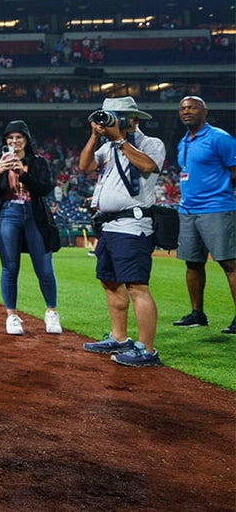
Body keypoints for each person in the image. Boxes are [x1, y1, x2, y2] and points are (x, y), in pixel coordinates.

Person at [79, 97, 166, 366]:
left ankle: (147, 349)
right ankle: (119, 338)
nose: (110, 121)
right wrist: (95, 137)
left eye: (116, 116)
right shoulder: (107, 147)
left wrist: (119, 139)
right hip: (108, 225)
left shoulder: (151, 144)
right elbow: (85, 166)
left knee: (137, 286)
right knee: (109, 281)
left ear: (134, 120)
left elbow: (149, 166)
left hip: (133, 225)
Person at [0, 120, 61, 336]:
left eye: (18, 137)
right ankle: (12, 316)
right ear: (5, 141)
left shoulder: (38, 162)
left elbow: (45, 188)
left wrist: (23, 173)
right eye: (10, 138)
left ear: (26, 139)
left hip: (34, 214)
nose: (14, 141)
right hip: (8, 213)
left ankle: (51, 312)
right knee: (10, 267)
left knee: (44, 267)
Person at [171, 96, 236, 334]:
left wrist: (224, 194)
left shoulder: (219, 138)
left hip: (217, 208)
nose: (186, 111)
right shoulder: (183, 142)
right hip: (188, 210)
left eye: (192, 107)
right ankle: (197, 314)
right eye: (182, 108)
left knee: (230, 263)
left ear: (204, 112)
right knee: (193, 263)